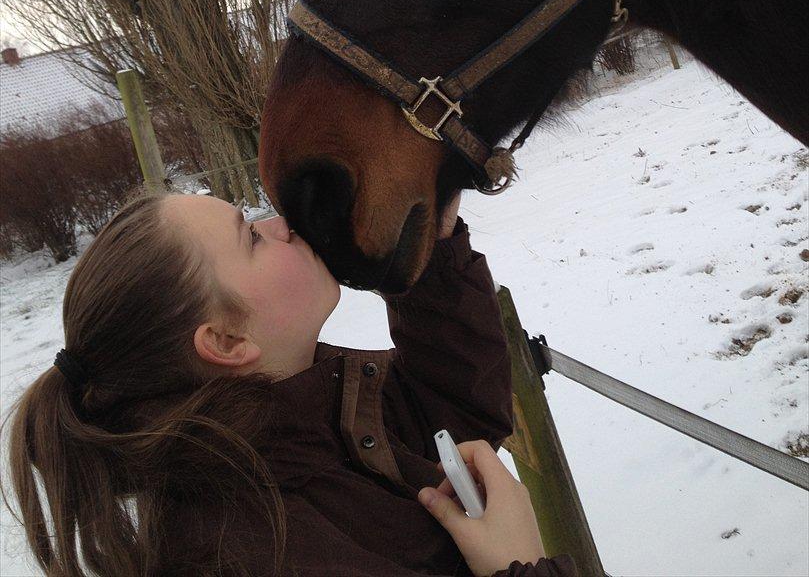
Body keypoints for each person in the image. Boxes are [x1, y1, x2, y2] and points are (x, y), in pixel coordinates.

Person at [3, 188, 577, 577]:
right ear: (227, 342)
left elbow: (448, 415)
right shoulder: (252, 553)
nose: (279, 225)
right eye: (250, 238)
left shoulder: (311, 418)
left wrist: (431, 243)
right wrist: (519, 571)